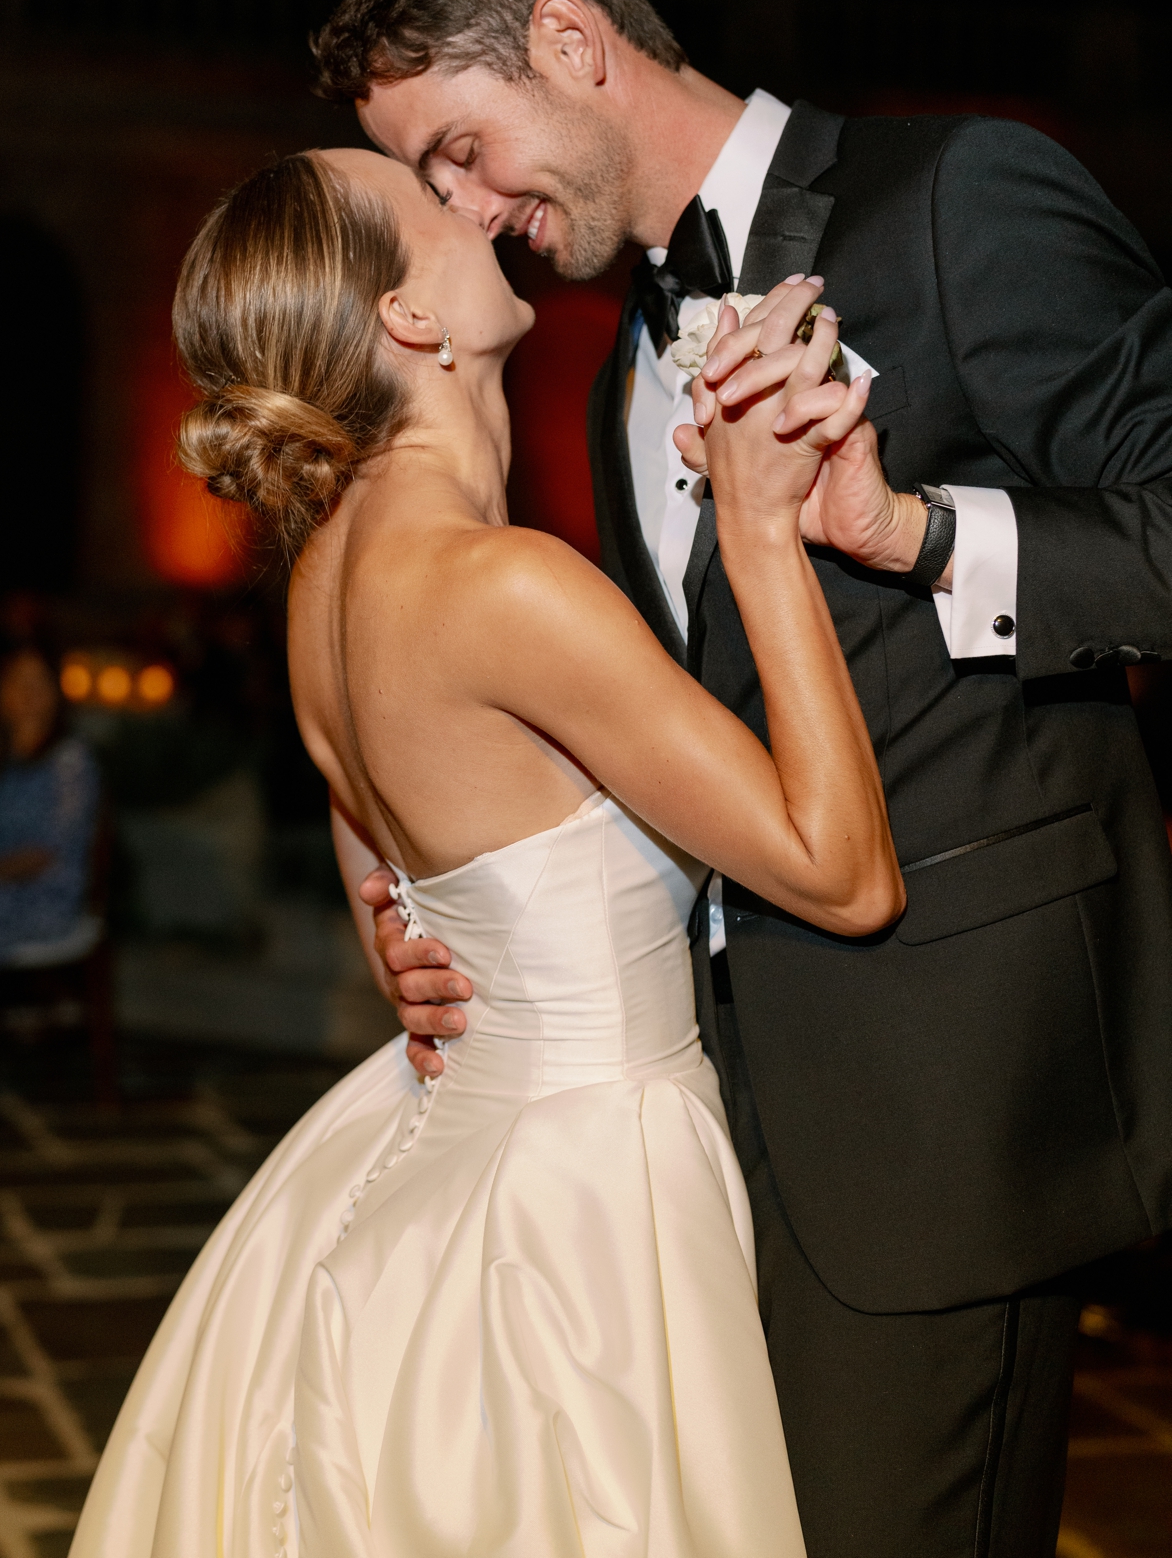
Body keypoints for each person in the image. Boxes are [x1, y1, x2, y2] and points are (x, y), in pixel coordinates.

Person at [311, 0, 1172, 1557]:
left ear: (571, 40)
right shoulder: (609, 367)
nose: (468, 210)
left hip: (946, 1102)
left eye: (462, 150)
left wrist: (915, 530)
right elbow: (681, 735)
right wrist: (448, 895)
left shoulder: (958, 200)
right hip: (706, 1120)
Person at [71, 148, 900, 1557]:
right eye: (426, 202)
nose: (465, 202)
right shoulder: (498, 583)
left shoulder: (324, 575)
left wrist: (419, 945)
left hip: (441, 1133)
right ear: (409, 317)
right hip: (579, 1197)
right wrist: (761, 525)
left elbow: (375, 856)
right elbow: (843, 871)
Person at [0, 648, 101, 971]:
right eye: (18, 683)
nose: (28, 694)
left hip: (41, 897)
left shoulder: (70, 761)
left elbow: (54, 847)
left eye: (38, 683)